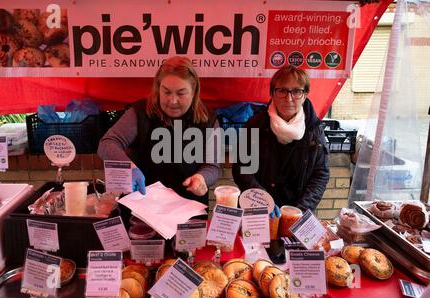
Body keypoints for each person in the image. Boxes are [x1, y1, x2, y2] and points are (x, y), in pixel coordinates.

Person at [98, 56, 221, 205]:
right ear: (158, 88)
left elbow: (213, 166)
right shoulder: (140, 112)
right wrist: (129, 168)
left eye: (181, 93)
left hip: (189, 206)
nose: (173, 100)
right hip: (144, 206)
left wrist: (202, 178)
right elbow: (107, 143)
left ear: (194, 92)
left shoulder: (208, 119)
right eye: (167, 92)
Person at [232, 65, 330, 215]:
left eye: (296, 91)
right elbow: (242, 169)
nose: (289, 98)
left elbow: (320, 174)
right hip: (257, 210)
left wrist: (300, 209)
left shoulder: (314, 129)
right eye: (282, 90)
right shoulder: (255, 125)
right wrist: (263, 201)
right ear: (272, 93)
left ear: (305, 95)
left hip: (298, 212)